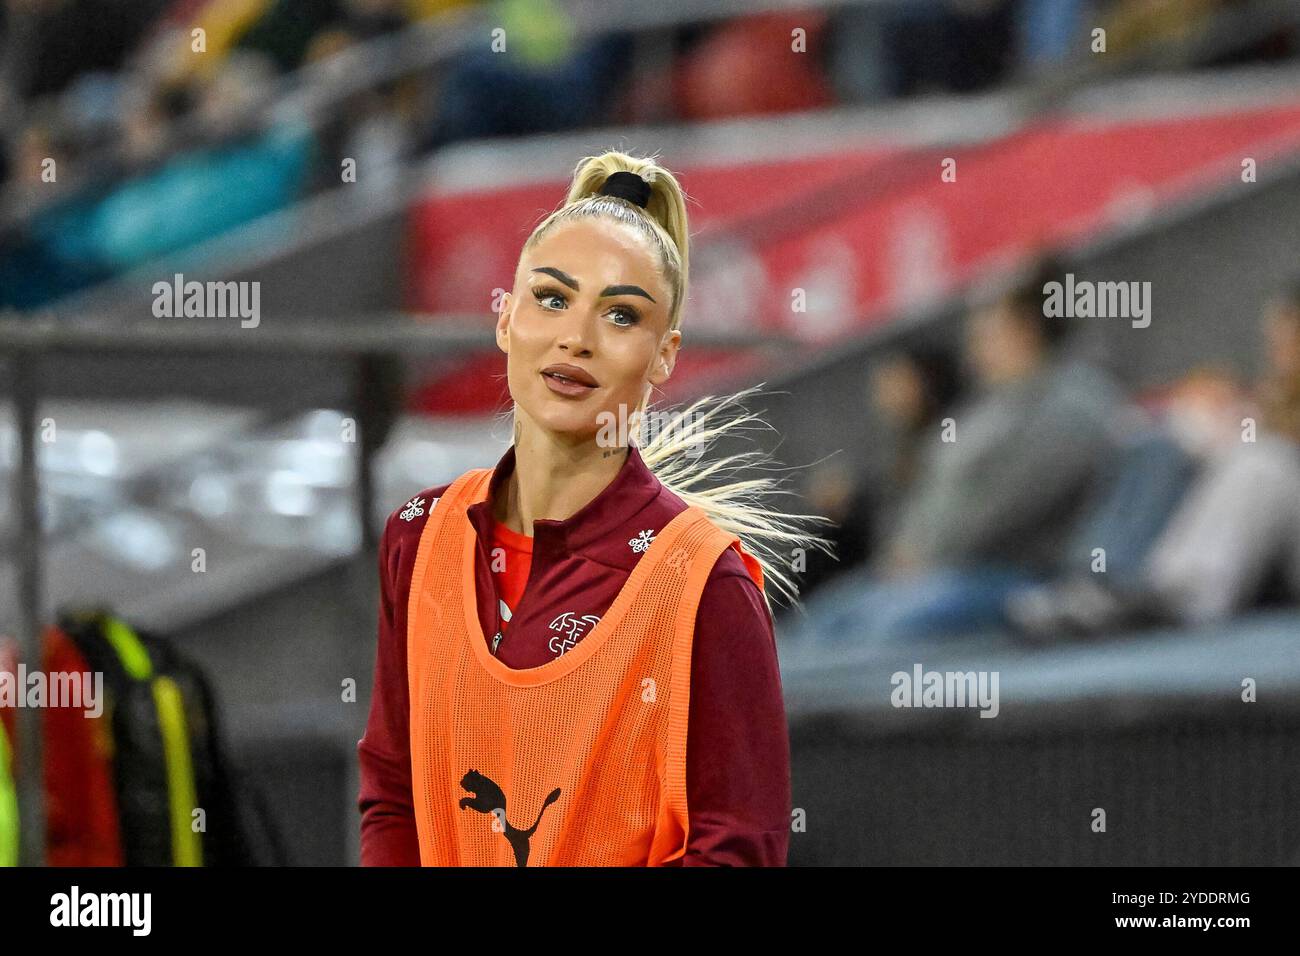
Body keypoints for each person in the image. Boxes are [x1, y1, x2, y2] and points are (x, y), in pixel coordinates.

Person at [356, 150, 832, 867]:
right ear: (505, 320)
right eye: (552, 299)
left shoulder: (708, 585)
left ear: (665, 355)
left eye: (620, 314)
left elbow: (739, 849)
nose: (576, 336)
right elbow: (394, 792)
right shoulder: (417, 538)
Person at [784, 262, 1123, 645]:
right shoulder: (989, 407)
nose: (974, 345)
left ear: (1026, 328)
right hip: (930, 571)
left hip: (1011, 575)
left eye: (987, 331)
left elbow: (1008, 504)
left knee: (884, 630)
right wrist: (906, 552)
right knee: (823, 619)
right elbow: (931, 492)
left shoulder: (1073, 402)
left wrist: (928, 555)